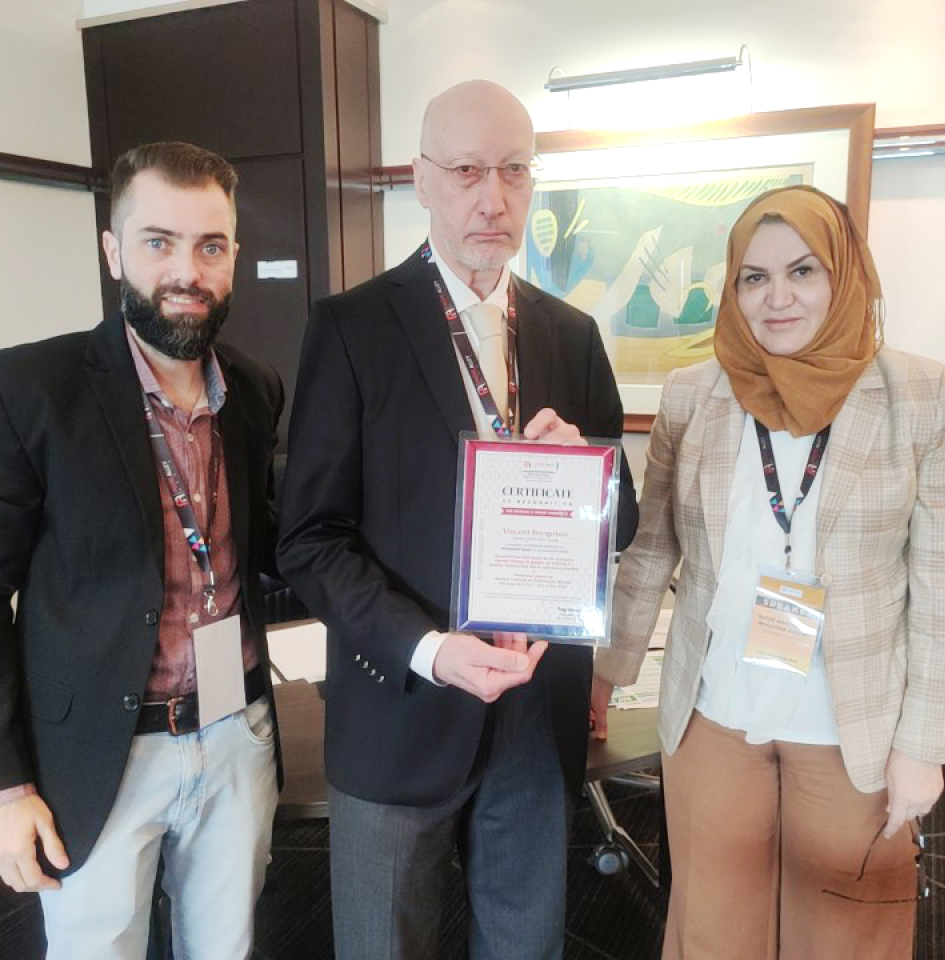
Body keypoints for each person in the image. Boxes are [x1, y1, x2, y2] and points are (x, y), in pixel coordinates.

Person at [278, 79, 638, 960]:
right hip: (401, 705)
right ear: (422, 179)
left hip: (535, 713)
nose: (493, 198)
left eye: (514, 171)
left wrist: (586, 480)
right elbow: (310, 539)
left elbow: (622, 521)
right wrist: (429, 649)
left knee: (526, 945)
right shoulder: (352, 328)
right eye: (468, 170)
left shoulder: (573, 335)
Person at [592, 184, 945, 958]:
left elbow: (944, 589)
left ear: (844, 275)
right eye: (753, 277)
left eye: (802, 271)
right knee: (714, 931)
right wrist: (606, 672)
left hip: (852, 727)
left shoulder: (922, 395)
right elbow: (651, 550)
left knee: (847, 932)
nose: (777, 297)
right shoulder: (695, 394)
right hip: (715, 715)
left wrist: (925, 746)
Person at [0, 141, 284, 959]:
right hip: (98, 752)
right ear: (113, 250)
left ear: (233, 256)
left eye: (210, 246)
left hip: (234, 733)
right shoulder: (33, 391)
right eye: (159, 242)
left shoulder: (255, 389)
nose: (186, 271)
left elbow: (272, 547)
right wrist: (8, 785)